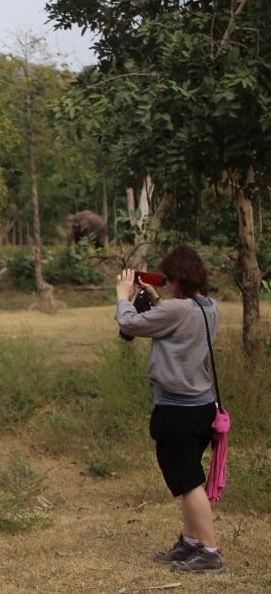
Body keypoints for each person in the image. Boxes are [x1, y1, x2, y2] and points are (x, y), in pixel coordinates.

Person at [114, 245, 222, 573]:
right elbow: (177, 323)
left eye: (168, 278)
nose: (166, 284)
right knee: (187, 476)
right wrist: (156, 299)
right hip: (202, 405)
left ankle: (210, 552)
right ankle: (191, 543)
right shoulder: (209, 306)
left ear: (177, 278)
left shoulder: (178, 309)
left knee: (188, 482)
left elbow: (131, 324)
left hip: (178, 409)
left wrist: (123, 295)